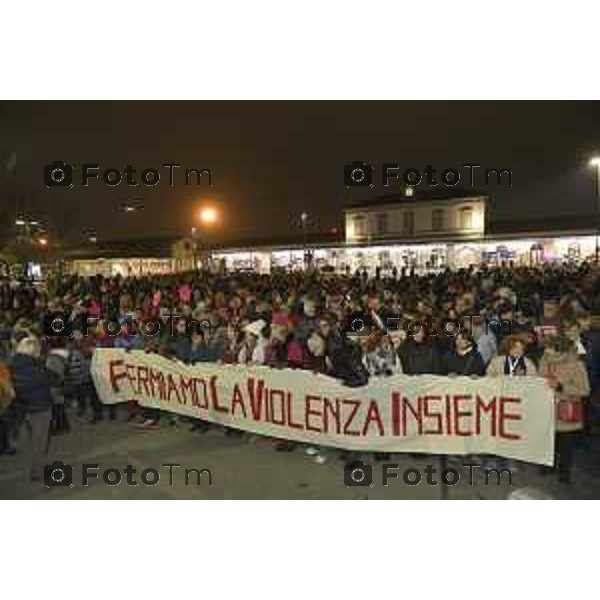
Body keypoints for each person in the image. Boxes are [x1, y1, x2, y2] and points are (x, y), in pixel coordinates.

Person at [538, 334, 590, 483]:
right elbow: (539, 378)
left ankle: (564, 472)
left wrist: (561, 386)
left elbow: (585, 390)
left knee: (566, 444)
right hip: (547, 407)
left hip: (565, 409)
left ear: (559, 350)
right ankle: (549, 465)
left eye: (549, 348)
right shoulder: (544, 360)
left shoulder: (577, 364)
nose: (546, 351)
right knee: (549, 440)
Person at [9, 337, 55, 481]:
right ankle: (38, 472)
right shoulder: (36, 367)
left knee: (33, 438)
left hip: (23, 408)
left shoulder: (12, 365)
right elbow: (55, 379)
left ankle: (37, 467)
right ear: (33, 350)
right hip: (40, 407)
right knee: (40, 442)